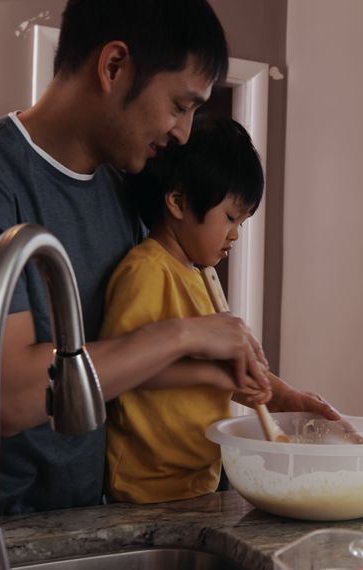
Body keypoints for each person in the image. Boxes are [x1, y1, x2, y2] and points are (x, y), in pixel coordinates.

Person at [0, 0, 341, 528]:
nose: (184, 133)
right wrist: (186, 334)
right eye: (180, 105)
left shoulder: (125, 192)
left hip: (81, 522)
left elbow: (121, 360)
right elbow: (11, 395)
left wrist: (274, 393)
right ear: (114, 66)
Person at [103, 115, 271, 503]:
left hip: (196, 482)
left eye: (243, 222)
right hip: (146, 487)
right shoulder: (146, 270)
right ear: (178, 202)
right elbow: (123, 372)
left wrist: (261, 385)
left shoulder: (199, 276)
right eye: (230, 217)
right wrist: (217, 374)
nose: (235, 234)